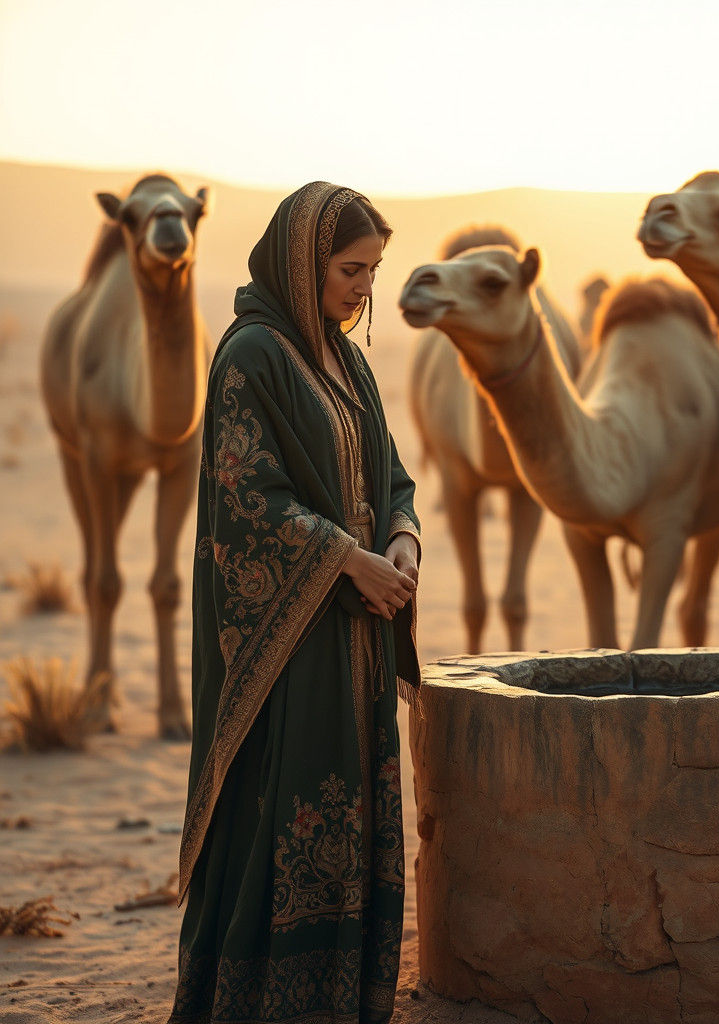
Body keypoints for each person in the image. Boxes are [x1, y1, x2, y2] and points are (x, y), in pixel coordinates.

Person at [169, 181, 421, 1024]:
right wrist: (348, 560)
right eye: (351, 269)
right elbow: (249, 502)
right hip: (290, 643)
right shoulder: (252, 356)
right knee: (288, 803)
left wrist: (400, 545)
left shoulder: (344, 358)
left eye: (373, 271)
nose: (364, 289)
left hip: (360, 632)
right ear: (302, 260)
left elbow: (390, 476)